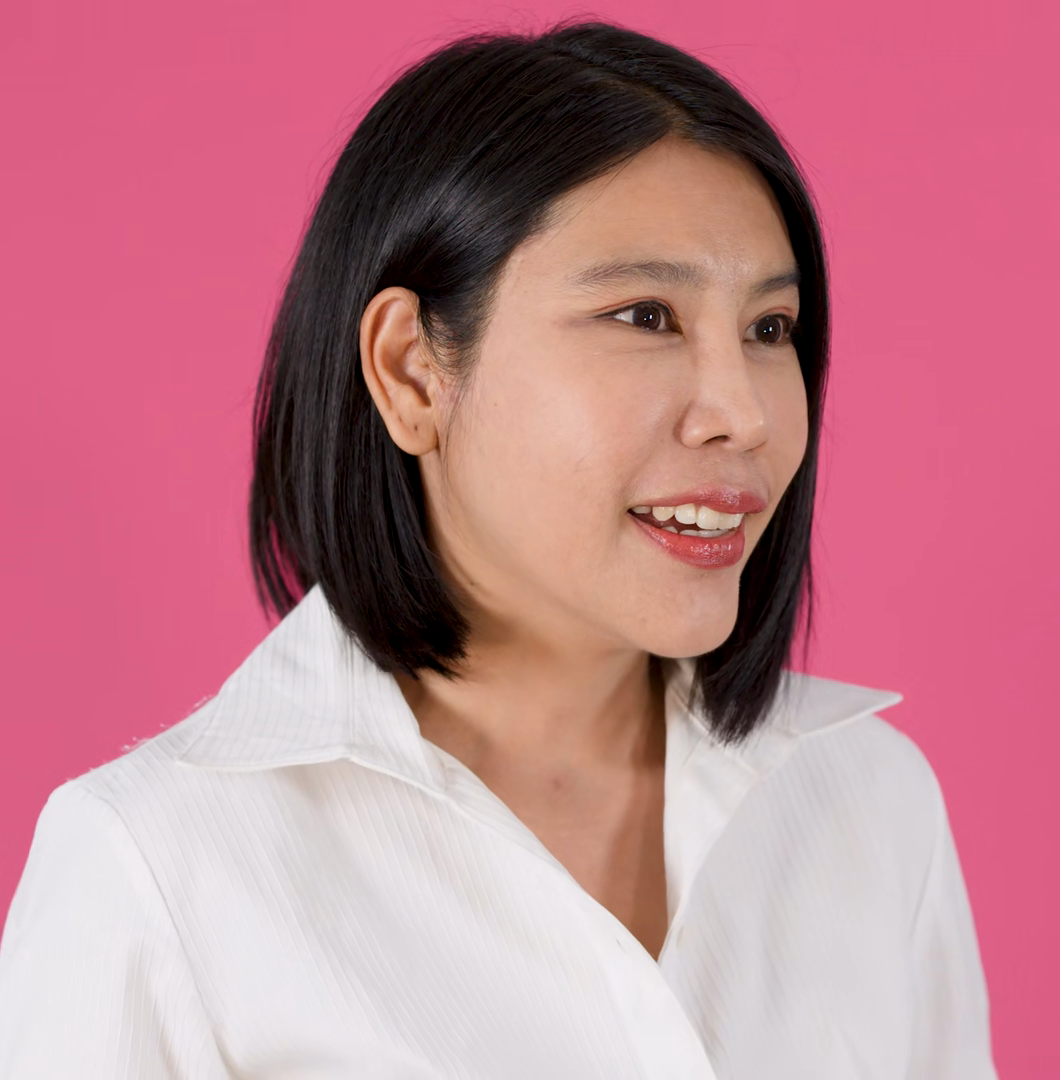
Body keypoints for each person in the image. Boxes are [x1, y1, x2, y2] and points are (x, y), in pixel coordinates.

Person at [0, 20, 996, 1078]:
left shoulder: (867, 803)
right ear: (413, 373)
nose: (745, 416)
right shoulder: (159, 869)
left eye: (770, 329)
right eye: (646, 315)